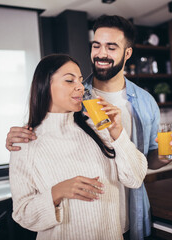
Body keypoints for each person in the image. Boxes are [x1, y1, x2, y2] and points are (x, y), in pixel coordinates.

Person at [6, 15, 172, 240]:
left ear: (127, 53)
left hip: (128, 216)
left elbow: (143, 165)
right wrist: (18, 137)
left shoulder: (144, 102)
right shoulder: (76, 103)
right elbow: (45, 129)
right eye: (96, 45)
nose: (101, 53)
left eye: (111, 47)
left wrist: (168, 155)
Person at [10, 54, 148, 240]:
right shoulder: (24, 142)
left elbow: (135, 178)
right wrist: (58, 192)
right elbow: (22, 214)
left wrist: (117, 132)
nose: (80, 87)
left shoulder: (98, 128)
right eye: (69, 80)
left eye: (81, 81)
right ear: (44, 85)